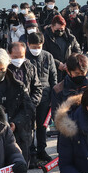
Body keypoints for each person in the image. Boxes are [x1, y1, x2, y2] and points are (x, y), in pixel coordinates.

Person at [25, 32, 58, 164]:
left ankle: (41, 150)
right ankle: (31, 151)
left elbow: (53, 76)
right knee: (29, 126)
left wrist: (53, 97)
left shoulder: (47, 56)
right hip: (29, 97)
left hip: (45, 95)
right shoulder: (25, 57)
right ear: (28, 45)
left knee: (42, 125)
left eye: (38, 46)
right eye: (33, 46)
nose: (36, 49)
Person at [44, 14, 82, 83]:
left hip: (68, 69)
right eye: (57, 29)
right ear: (52, 27)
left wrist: (69, 63)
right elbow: (44, 54)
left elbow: (77, 51)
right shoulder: (45, 38)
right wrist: (57, 64)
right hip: (52, 70)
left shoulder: (70, 38)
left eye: (62, 29)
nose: (60, 31)